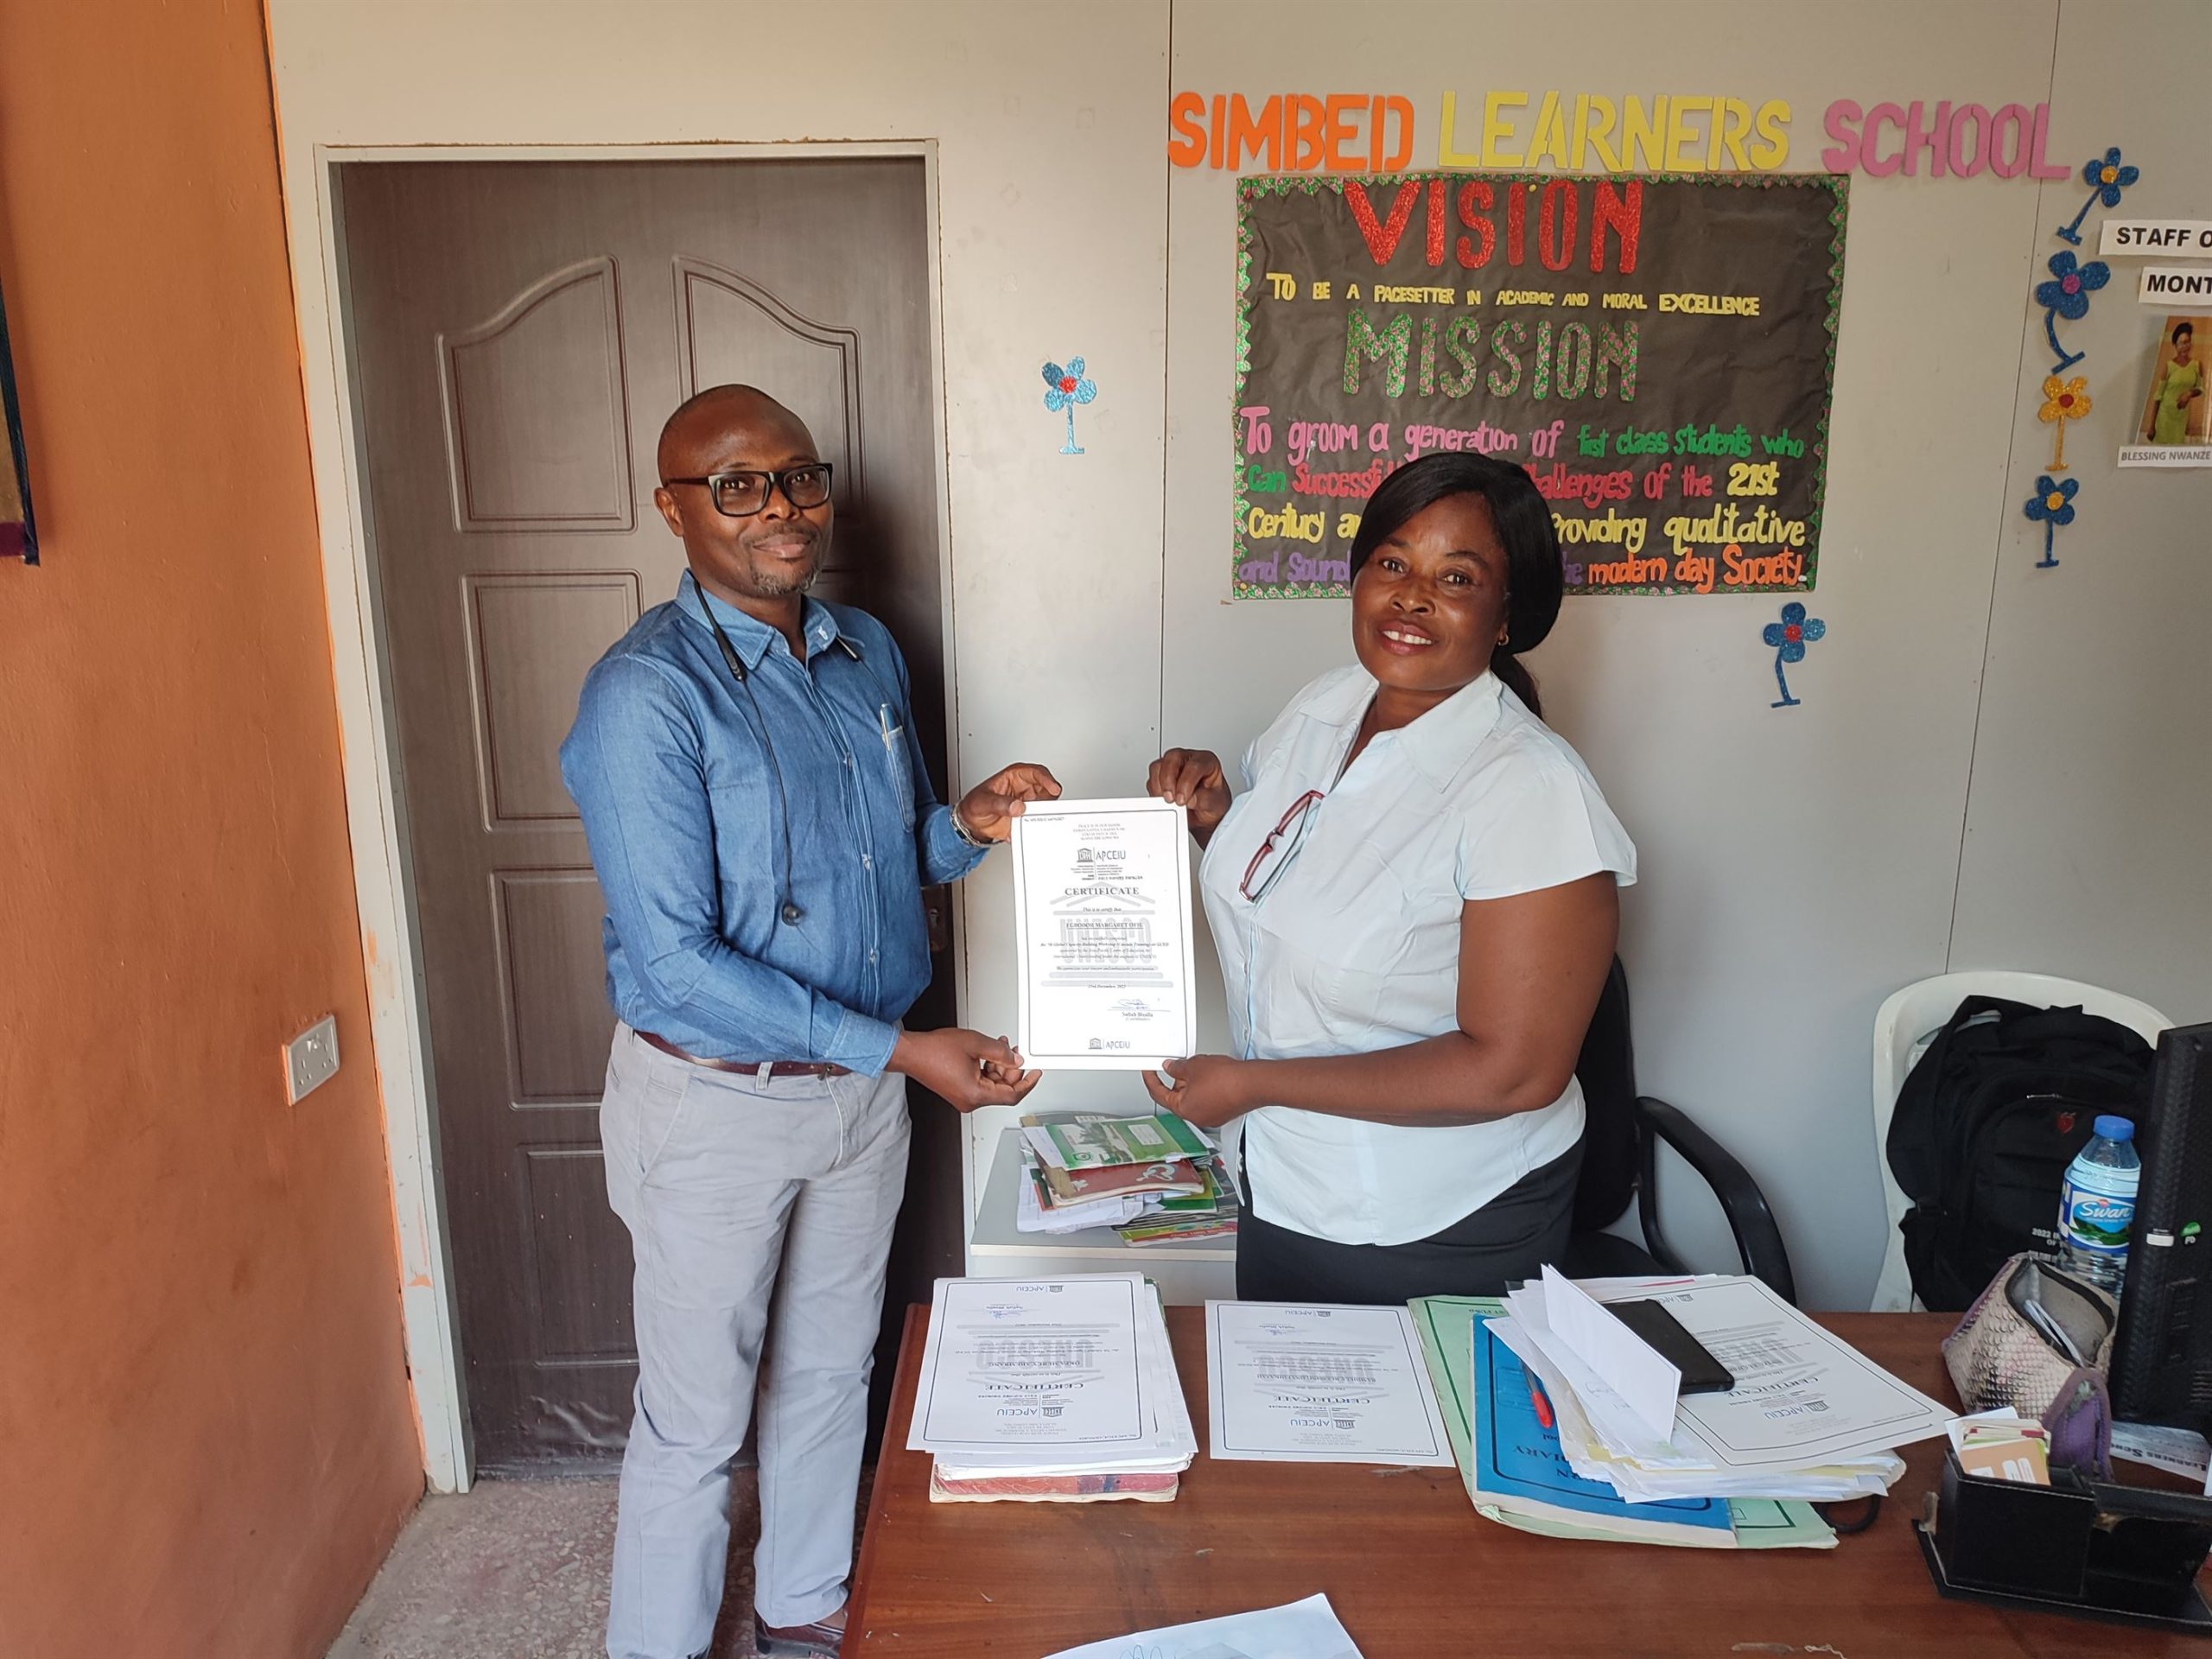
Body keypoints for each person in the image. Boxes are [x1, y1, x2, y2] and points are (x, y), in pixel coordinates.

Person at [560, 385, 1058, 1659]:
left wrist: (969, 825)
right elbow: (677, 963)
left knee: (835, 1368)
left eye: (798, 476)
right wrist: (906, 1052)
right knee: (695, 1416)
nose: (780, 507)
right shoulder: (644, 696)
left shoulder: (865, 650)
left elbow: (889, 855)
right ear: (672, 509)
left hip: (862, 1098)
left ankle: (801, 1605)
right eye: (736, 485)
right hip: (715, 1100)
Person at [1142, 452, 1634, 1306]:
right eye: (1392, 563)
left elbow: (1514, 1072)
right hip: (1280, 1175)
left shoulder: (1531, 792)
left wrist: (1253, 1085)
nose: (1412, 597)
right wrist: (1215, 819)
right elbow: (1313, 895)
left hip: (1436, 1219)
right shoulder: (1325, 706)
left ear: (1507, 614)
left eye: (1457, 577)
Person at [2146, 320, 2203, 444]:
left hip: (2181, 419)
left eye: (2187, 342)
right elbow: (2158, 397)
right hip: (2164, 419)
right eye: (2181, 343)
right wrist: (2151, 426)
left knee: (2177, 450)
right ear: (2175, 345)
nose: (2185, 346)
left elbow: (2200, 388)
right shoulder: (2169, 366)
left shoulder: (2196, 365)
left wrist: (2189, 393)